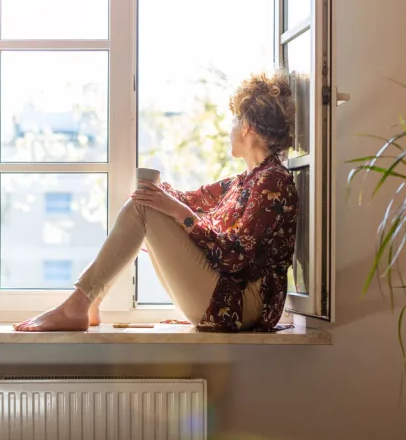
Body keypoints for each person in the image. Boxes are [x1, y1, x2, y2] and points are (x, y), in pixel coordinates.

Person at [15, 72, 299, 332]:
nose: (231, 128)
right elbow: (186, 199)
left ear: (248, 127)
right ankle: (88, 303)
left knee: (144, 207)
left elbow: (235, 257)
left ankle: (79, 304)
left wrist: (176, 211)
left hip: (241, 306)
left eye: (234, 120)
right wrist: (158, 193)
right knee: (146, 204)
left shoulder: (272, 181)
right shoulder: (243, 181)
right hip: (226, 299)